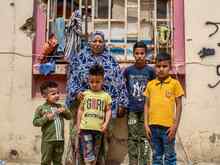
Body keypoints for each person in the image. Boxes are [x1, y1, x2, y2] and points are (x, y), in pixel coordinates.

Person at [65, 31, 128, 163]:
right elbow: (72, 79)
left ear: (104, 43)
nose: (97, 44)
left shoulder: (111, 60)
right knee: (80, 139)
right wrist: (76, 93)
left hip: (104, 107)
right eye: (95, 41)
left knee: (102, 141)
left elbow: (119, 82)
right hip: (82, 106)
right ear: (90, 42)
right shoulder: (79, 58)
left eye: (100, 41)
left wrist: (122, 103)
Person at [143, 52, 184, 165]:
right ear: (155, 67)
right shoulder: (150, 85)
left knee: (170, 157)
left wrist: (175, 126)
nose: (161, 69)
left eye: (164, 66)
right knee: (156, 157)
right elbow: (146, 105)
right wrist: (146, 125)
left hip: (168, 129)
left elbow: (179, 105)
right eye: (158, 66)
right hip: (153, 128)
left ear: (170, 67)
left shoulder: (174, 84)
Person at [124, 41, 155, 165]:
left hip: (146, 110)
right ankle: (133, 162)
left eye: (142, 53)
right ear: (133, 54)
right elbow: (124, 88)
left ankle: (144, 162)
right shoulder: (128, 71)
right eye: (137, 53)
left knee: (145, 137)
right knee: (132, 137)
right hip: (131, 109)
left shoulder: (151, 71)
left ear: (146, 54)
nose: (139, 56)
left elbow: (154, 89)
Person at [77, 64, 112, 165]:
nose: (94, 84)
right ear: (88, 81)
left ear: (103, 81)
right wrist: (79, 126)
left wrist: (105, 123)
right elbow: (80, 110)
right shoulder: (85, 94)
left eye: (97, 82)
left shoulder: (106, 96)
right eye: (91, 82)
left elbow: (108, 110)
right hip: (85, 129)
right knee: (88, 154)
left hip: (99, 130)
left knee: (96, 153)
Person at [33, 81, 72, 165]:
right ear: (44, 96)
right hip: (48, 141)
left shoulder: (61, 107)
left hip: (60, 140)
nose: (57, 95)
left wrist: (65, 111)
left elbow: (69, 117)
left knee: (58, 161)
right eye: (53, 94)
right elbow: (35, 122)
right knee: (45, 161)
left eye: (58, 93)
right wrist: (46, 118)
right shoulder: (41, 108)